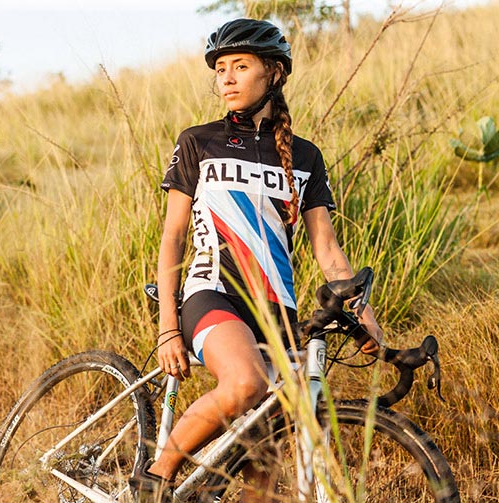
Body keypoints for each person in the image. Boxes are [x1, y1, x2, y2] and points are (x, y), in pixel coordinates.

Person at [130, 18, 384, 503]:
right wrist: (167, 327)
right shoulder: (198, 142)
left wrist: (366, 318)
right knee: (246, 382)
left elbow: (328, 252)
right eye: (220, 68)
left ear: (274, 74)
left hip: (276, 307)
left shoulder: (305, 157)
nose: (225, 78)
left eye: (239, 67)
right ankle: (155, 476)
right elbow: (173, 237)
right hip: (212, 293)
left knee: (265, 463)